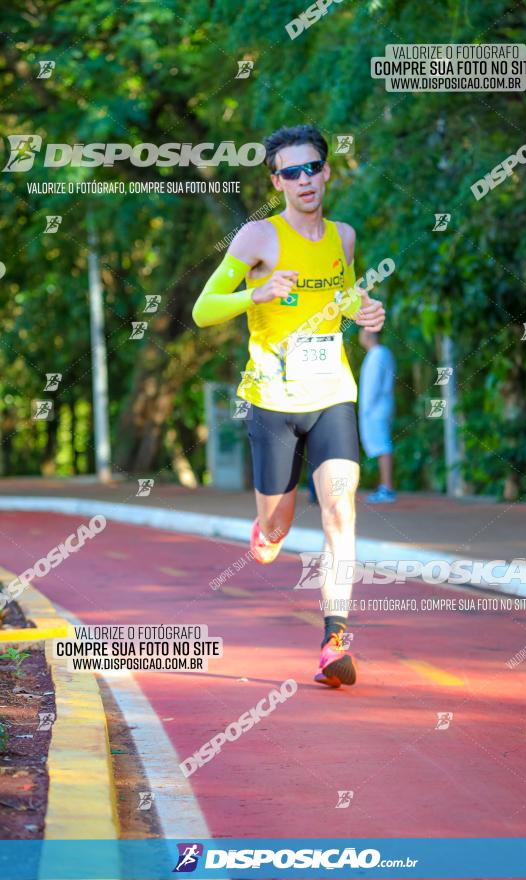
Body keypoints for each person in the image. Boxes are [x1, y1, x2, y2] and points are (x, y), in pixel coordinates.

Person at [193, 125, 384, 688]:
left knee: (340, 511)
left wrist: (364, 310)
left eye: (312, 168)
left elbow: (343, 295)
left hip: (331, 396)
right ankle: (268, 529)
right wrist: (257, 291)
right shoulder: (256, 238)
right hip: (272, 403)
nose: (304, 180)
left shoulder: (343, 236)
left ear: (327, 171)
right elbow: (204, 310)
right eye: (290, 172)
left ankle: (334, 640)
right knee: (276, 529)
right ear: (276, 181)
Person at [358, 330, 396, 503]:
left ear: (367, 335)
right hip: (382, 406)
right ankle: (385, 486)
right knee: (382, 446)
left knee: (382, 446)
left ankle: (387, 487)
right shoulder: (383, 353)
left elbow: (373, 386)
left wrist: (366, 409)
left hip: (375, 408)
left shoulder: (377, 354)